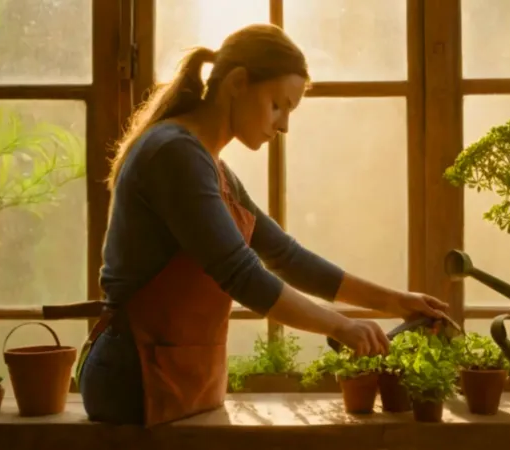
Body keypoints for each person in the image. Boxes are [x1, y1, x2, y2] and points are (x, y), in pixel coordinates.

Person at [77, 23, 448, 427]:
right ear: (237, 83)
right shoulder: (174, 155)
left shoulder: (210, 166)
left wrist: (396, 302)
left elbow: (285, 256)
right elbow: (241, 274)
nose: (284, 124)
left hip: (177, 376)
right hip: (133, 377)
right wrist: (342, 327)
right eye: (278, 104)